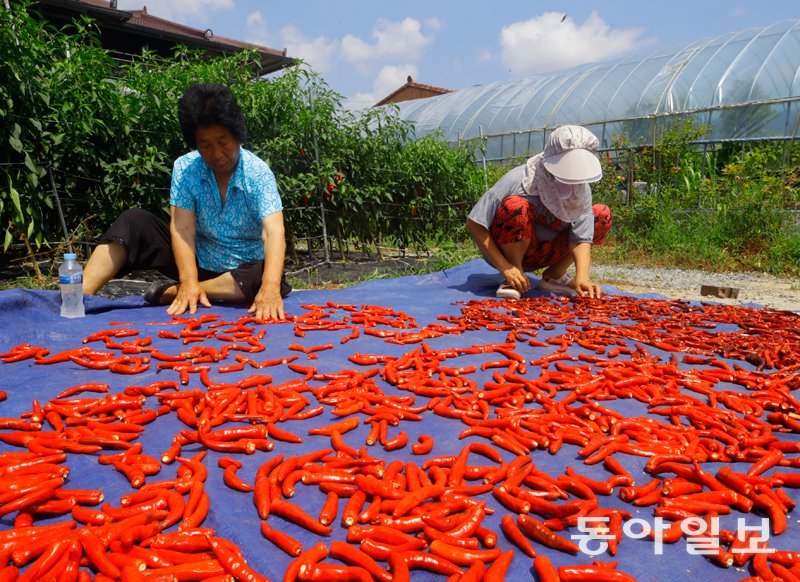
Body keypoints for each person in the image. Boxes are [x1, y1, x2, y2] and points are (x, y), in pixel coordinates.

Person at [83, 82, 290, 319]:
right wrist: (189, 279)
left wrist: (270, 287)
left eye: (223, 142)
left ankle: (175, 292)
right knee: (134, 221)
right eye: (205, 145)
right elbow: (182, 228)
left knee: (266, 275)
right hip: (195, 264)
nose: (217, 154)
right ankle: (79, 296)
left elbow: (273, 232)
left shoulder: (258, 173)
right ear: (195, 143)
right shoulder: (186, 167)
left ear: (237, 133)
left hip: (240, 274)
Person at [466, 125, 612, 300]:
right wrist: (505, 267)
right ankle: (515, 275)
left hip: (548, 253)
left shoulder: (581, 190)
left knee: (601, 214)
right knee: (515, 205)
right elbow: (475, 223)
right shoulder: (520, 179)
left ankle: (556, 275)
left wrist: (582, 277)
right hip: (512, 251)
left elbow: (581, 238)